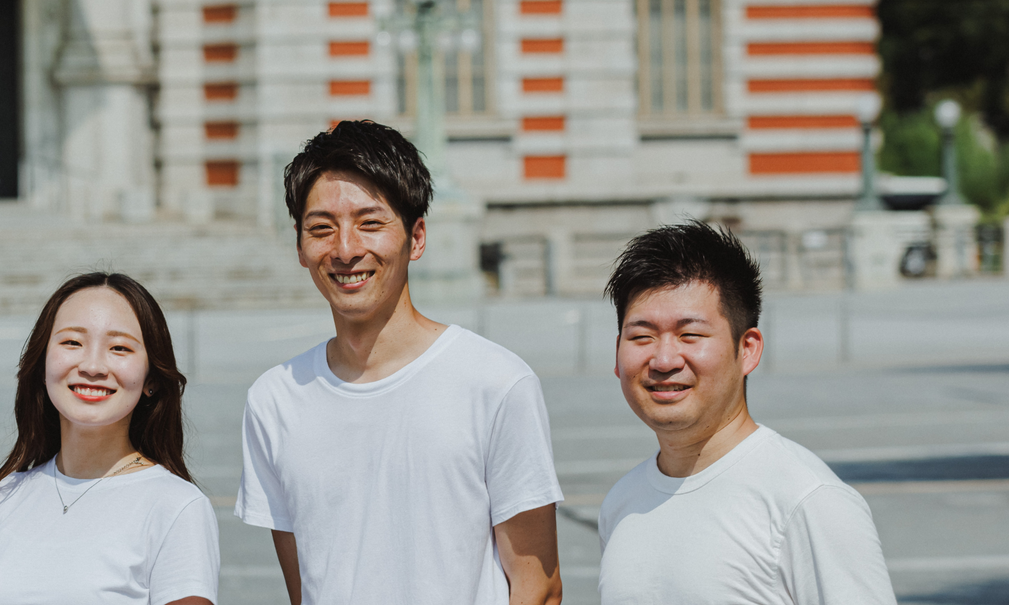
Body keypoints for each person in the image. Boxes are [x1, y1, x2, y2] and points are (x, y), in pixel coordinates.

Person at [234, 120, 562, 605]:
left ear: (417, 237)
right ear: (300, 248)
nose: (346, 250)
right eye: (321, 228)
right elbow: (305, 589)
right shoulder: (274, 400)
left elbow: (539, 587)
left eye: (370, 223)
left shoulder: (496, 382)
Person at [595, 221, 895, 603]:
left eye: (690, 335)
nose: (664, 359)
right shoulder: (621, 503)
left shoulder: (807, 500)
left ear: (747, 349)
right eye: (641, 337)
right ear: (617, 353)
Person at [0, 272, 218, 605]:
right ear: (42, 364)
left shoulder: (177, 507)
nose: (92, 366)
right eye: (72, 342)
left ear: (151, 379)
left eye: (120, 348)